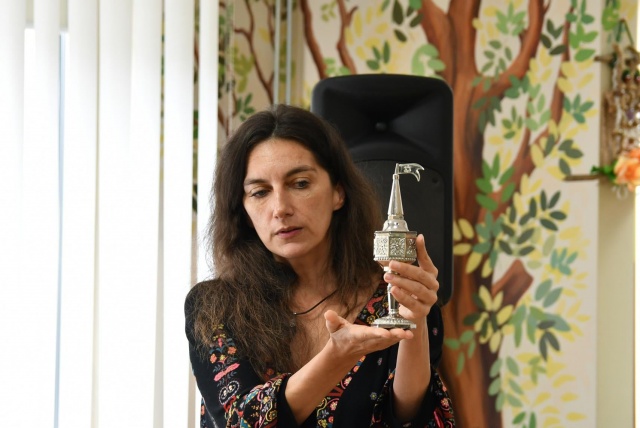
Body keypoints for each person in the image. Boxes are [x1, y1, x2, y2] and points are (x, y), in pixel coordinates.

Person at [184, 104, 455, 427]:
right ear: (242, 208)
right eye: (260, 192)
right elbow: (241, 421)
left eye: (300, 183)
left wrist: (416, 320)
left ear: (338, 192)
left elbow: (411, 418)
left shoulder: (394, 295)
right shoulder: (214, 307)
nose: (280, 208)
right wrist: (336, 357)